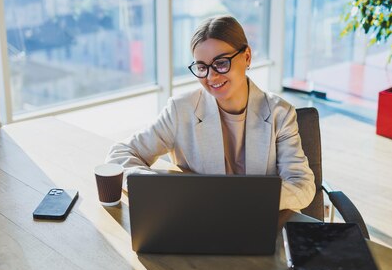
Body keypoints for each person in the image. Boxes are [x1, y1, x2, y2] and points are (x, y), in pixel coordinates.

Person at [106, 15, 315, 211]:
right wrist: (154, 187)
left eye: (221, 63)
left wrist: (247, 199)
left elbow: (302, 185)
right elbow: (121, 154)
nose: (211, 76)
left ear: (247, 57)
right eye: (202, 67)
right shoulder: (181, 110)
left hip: (258, 222)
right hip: (197, 221)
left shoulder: (281, 113)